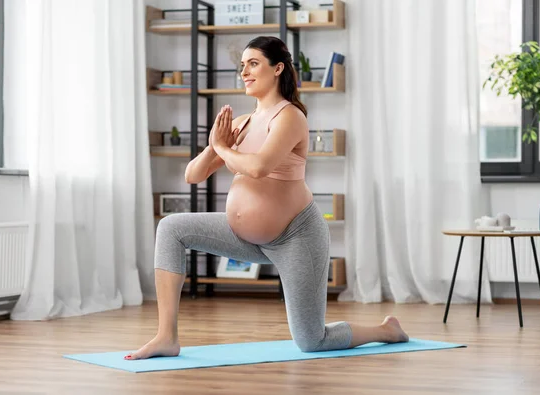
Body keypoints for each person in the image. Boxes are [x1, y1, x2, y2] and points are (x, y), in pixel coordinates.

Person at [125, 36, 408, 360]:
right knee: (171, 228)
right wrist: (214, 146)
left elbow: (259, 167)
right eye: (242, 65)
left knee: (311, 341)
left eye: (253, 63)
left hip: (296, 236)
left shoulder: (290, 117)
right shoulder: (243, 123)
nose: (244, 71)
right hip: (243, 236)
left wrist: (224, 149)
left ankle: (387, 330)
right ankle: (166, 337)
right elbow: (193, 175)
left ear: (278, 68)